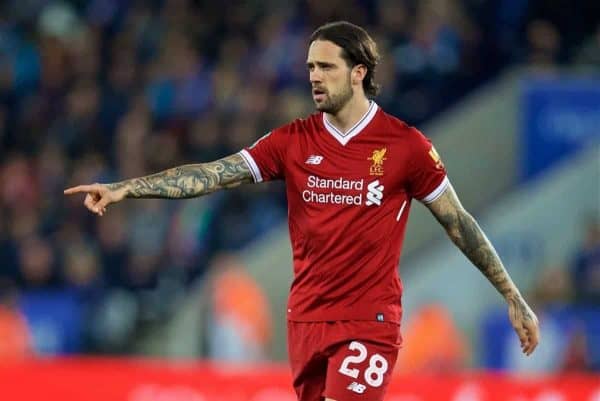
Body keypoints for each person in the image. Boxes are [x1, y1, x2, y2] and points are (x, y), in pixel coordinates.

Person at [65, 21, 539, 401]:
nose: (314, 76)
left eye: (326, 67)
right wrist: (127, 188)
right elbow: (213, 174)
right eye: (311, 66)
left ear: (358, 72)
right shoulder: (292, 141)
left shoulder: (405, 146)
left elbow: (459, 223)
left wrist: (512, 295)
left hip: (369, 322)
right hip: (306, 321)